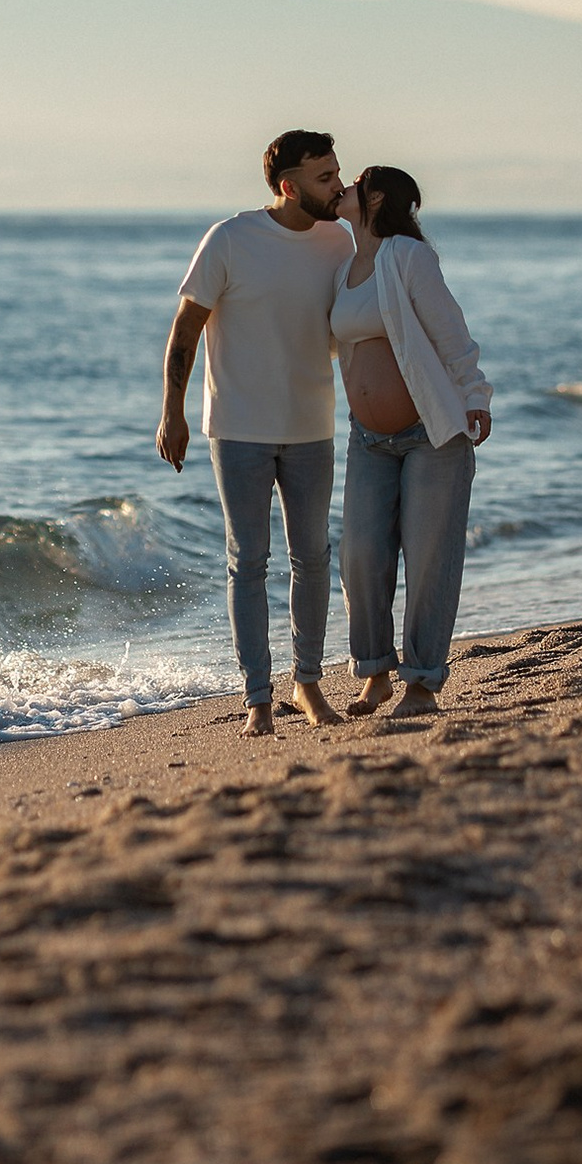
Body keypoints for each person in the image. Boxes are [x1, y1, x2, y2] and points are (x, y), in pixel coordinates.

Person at [159, 130, 353, 737]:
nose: (338, 186)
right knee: (248, 561)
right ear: (289, 185)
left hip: (311, 423)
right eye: (325, 178)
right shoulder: (231, 239)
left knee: (313, 558)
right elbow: (185, 329)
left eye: (338, 173)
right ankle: (258, 697)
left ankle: (309, 683)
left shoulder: (338, 240)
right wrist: (173, 412)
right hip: (238, 427)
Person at [331, 165, 492, 718]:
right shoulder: (341, 266)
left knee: (429, 560)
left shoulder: (408, 256)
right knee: (360, 556)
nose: (341, 190)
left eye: (351, 183)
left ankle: (421, 684)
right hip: (367, 439)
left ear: (374, 197)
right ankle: (374, 670)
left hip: (430, 434)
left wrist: (475, 395)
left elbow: (451, 331)